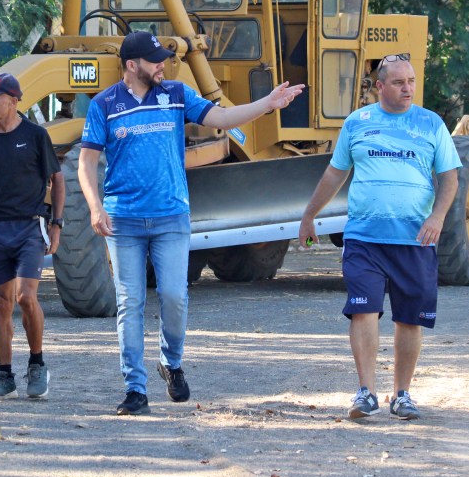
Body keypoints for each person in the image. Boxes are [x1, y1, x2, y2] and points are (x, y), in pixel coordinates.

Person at [78, 31, 304, 415]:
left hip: (171, 216)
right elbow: (85, 163)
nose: (162, 64)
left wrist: (268, 103)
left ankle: (171, 362)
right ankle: (135, 388)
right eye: (154, 60)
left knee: (173, 296)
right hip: (124, 221)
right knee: (129, 302)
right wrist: (95, 209)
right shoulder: (104, 105)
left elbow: (222, 117)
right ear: (132, 66)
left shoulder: (176, 94)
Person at [299, 53, 460, 421]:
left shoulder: (431, 124)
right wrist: (310, 215)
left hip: (414, 239)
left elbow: (449, 178)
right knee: (363, 310)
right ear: (380, 86)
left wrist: (437, 216)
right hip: (364, 238)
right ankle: (366, 393)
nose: (408, 89)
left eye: (412, 81)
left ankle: (401, 394)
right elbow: (335, 174)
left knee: (409, 319)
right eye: (400, 82)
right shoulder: (358, 123)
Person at [0, 72, 65, 400]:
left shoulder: (35, 136)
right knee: (0, 303)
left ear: (14, 100)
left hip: (30, 227)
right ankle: (5, 376)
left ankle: (37, 363)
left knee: (25, 297)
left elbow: (57, 180)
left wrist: (56, 223)